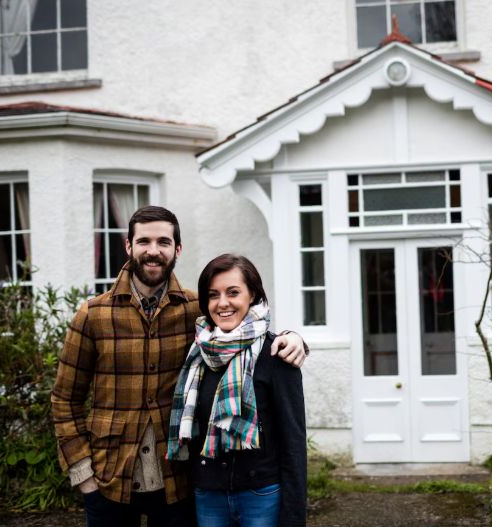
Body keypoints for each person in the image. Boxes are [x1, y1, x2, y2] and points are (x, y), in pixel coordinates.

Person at [52, 206, 307, 527]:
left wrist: (294, 338)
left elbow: (242, 329)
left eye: (164, 242)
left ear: (177, 249)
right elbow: (64, 399)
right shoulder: (93, 315)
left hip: (176, 484)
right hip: (109, 479)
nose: (153, 251)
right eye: (144, 241)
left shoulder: (194, 311)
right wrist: (83, 473)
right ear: (128, 246)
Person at [167, 254, 306, 527]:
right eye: (213, 295)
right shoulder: (198, 354)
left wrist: (293, 517)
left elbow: (294, 444)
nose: (223, 303)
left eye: (233, 292)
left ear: (252, 294)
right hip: (208, 495)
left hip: (262, 495)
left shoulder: (278, 353)